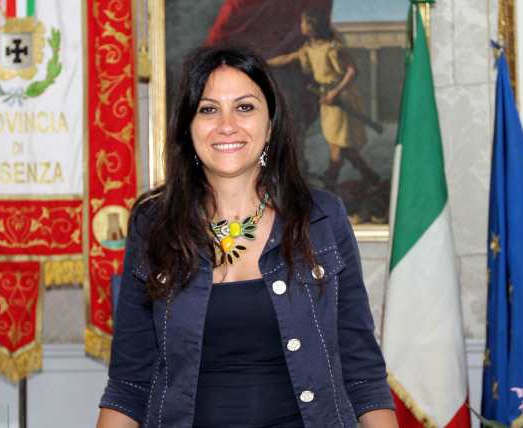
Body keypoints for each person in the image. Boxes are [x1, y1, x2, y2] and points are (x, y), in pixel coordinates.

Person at [96, 46, 396, 428]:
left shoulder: (322, 217)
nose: (227, 125)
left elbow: (362, 372)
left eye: (244, 107)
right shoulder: (152, 224)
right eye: (208, 109)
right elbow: (129, 384)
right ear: (188, 127)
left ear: (270, 125)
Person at [268, 8, 380, 190]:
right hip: (326, 99)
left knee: (337, 142)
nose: (300, 25)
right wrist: (264, 63)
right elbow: (288, 58)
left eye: (303, 22)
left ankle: (331, 177)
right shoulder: (309, 48)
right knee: (339, 141)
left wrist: (335, 93)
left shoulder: (333, 47)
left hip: (342, 97)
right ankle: (369, 175)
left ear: (311, 26)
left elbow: (352, 71)